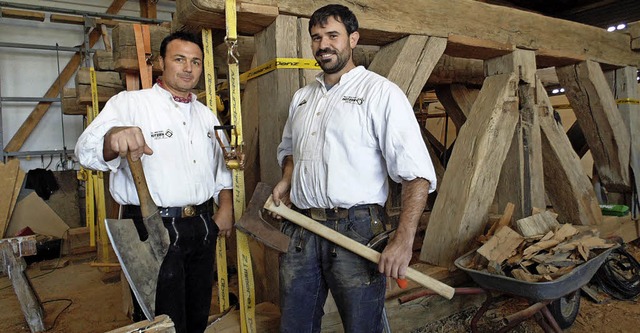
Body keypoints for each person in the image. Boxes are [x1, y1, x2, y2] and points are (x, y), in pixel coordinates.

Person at [271, 4, 438, 333]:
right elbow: (290, 150)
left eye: (333, 35)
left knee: (363, 326)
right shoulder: (302, 98)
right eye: (316, 38)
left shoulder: (380, 93)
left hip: (357, 229)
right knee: (295, 325)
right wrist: (287, 180)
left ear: (353, 39)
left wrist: (404, 240)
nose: (323, 45)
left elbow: (416, 173)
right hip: (302, 229)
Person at [75, 31, 233, 333]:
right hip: (152, 227)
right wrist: (113, 137)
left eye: (196, 62)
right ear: (161, 62)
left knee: (198, 311)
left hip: (200, 225)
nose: (188, 68)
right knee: (160, 319)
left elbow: (222, 166)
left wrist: (224, 206)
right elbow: (84, 151)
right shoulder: (130, 104)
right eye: (179, 59)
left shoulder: (205, 113)